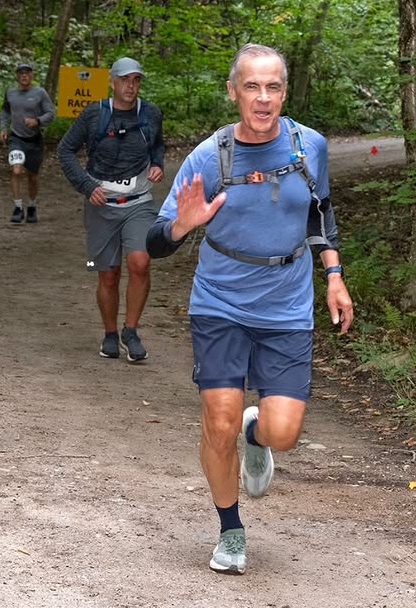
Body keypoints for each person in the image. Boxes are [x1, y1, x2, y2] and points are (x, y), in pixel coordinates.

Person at [146, 44, 354, 575]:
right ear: (233, 91)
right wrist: (183, 225)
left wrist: (334, 275)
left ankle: (257, 433)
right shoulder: (209, 157)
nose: (263, 98)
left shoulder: (310, 147)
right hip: (220, 301)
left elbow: (320, 212)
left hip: (286, 305)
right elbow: (155, 242)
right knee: (219, 421)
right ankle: (230, 530)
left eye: (273, 87)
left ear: (285, 92)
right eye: (252, 87)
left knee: (285, 433)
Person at [57, 57, 165, 362]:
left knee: (140, 263)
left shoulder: (151, 113)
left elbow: (158, 144)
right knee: (107, 274)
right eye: (125, 80)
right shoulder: (94, 114)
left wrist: (157, 164)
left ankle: (131, 331)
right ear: (112, 82)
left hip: (139, 203)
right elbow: (65, 150)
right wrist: (86, 186)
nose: (131, 86)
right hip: (101, 206)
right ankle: (109, 334)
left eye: (136, 80)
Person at [0, 62, 56, 224]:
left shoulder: (40, 93)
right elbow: (5, 111)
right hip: (16, 139)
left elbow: (51, 113)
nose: (24, 75)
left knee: (33, 176)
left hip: (35, 140)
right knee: (16, 171)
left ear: (32, 75)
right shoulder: (10, 93)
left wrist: (37, 121)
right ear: (17, 76)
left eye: (27, 72)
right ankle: (18, 208)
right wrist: (3, 128)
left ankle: (31, 206)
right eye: (21, 73)